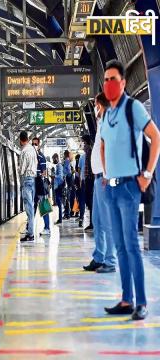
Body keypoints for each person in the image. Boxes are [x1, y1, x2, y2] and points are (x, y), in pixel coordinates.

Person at [101, 60, 160, 320]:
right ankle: (126, 299)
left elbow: (156, 136)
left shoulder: (132, 108)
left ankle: (142, 302)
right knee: (120, 247)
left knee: (131, 245)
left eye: (113, 79)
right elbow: (103, 144)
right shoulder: (107, 114)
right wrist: (105, 173)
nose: (108, 84)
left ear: (123, 83)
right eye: (105, 80)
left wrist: (146, 174)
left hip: (129, 187)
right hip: (111, 189)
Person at [84, 93, 116, 273]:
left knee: (107, 221)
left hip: (104, 178)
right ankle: (99, 256)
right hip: (98, 178)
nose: (95, 109)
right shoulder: (102, 122)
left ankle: (110, 261)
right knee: (97, 219)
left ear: (101, 104)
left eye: (96, 105)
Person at [18, 131, 38, 242]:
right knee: (31, 207)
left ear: (21, 140)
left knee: (29, 208)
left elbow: (22, 169)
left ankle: (30, 234)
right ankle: (30, 232)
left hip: (27, 180)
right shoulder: (33, 150)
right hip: (33, 180)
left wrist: (18, 170)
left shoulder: (24, 151)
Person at [32, 137, 50, 236]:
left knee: (43, 206)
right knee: (33, 206)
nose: (34, 145)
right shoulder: (33, 156)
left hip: (40, 184)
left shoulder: (41, 156)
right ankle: (28, 227)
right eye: (32, 144)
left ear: (39, 145)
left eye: (35, 144)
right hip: (35, 182)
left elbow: (43, 172)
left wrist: (38, 175)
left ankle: (47, 228)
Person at [82, 134, 95, 230]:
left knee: (90, 201)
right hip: (89, 178)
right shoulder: (88, 151)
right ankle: (92, 222)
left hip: (90, 178)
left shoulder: (89, 151)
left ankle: (92, 223)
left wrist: (89, 177)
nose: (82, 145)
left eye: (82, 142)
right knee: (89, 201)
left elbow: (90, 165)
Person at [52, 153, 64, 225]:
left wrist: (54, 176)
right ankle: (60, 218)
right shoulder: (58, 166)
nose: (53, 160)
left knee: (59, 203)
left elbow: (60, 176)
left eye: (53, 159)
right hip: (58, 186)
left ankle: (60, 219)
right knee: (59, 203)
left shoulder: (59, 166)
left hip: (59, 186)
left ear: (56, 158)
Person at [62, 150, 72, 219]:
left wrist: (64, 175)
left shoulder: (66, 161)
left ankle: (67, 214)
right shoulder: (68, 161)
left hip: (67, 181)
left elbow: (68, 172)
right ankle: (67, 213)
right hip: (68, 181)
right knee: (66, 197)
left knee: (66, 198)